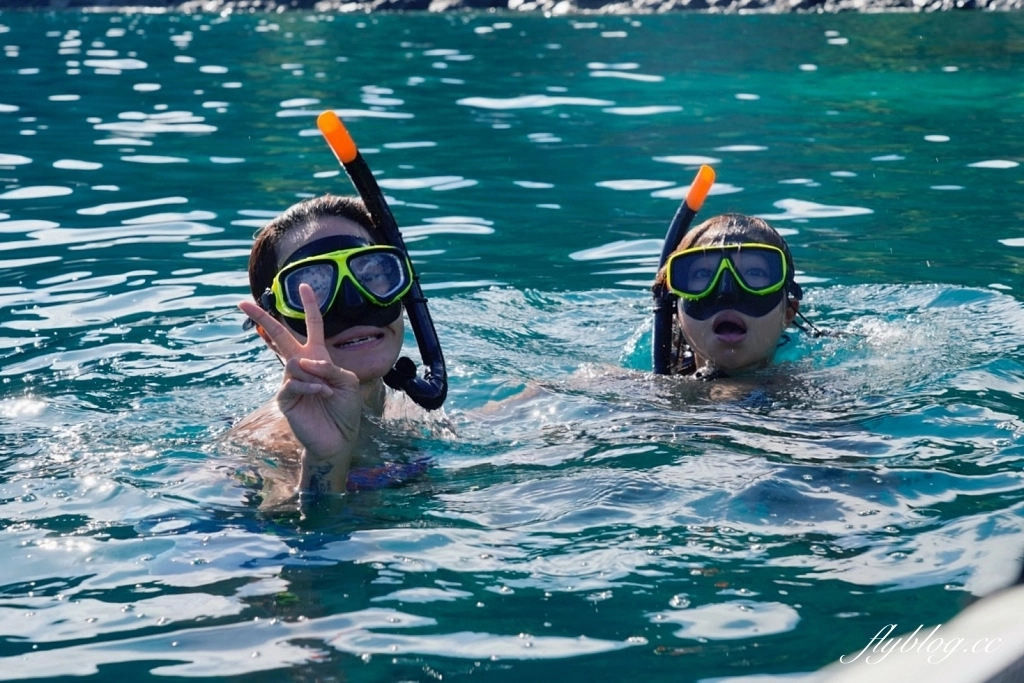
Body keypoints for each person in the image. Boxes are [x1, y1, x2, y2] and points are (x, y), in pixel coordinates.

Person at [229, 194, 435, 498]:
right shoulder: (267, 451)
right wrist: (323, 463)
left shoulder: (404, 412)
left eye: (373, 275)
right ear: (270, 334)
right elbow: (281, 540)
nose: (353, 304)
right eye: (312, 289)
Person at [652, 213, 804, 379]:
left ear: (788, 314)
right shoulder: (631, 389)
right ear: (677, 315)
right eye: (703, 273)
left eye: (754, 272)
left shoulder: (818, 394)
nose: (727, 292)